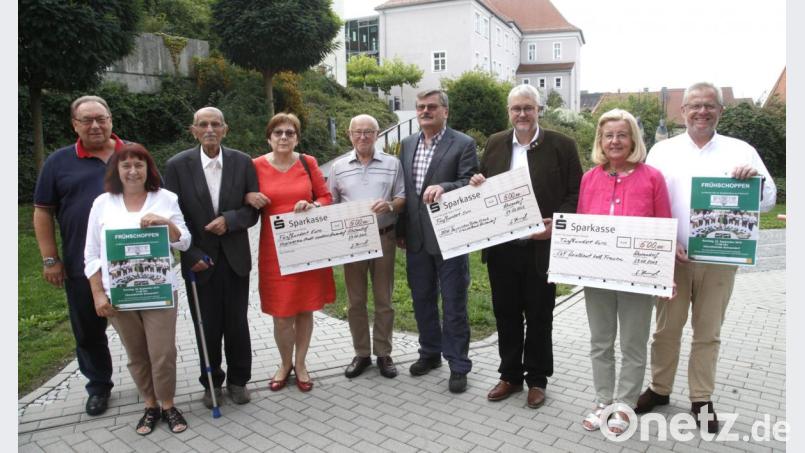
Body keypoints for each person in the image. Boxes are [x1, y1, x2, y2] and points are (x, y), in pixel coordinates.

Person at [638, 82, 777, 433]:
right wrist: (662, 243)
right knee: (666, 329)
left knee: (708, 331)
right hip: (672, 256)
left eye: (709, 106)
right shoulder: (661, 151)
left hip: (719, 258)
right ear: (682, 111)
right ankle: (659, 388)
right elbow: (647, 200)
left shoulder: (741, 150)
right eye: (694, 106)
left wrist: (754, 183)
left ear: (720, 110)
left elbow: (770, 198)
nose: (702, 111)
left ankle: (701, 398)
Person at [469, 84, 582, 408]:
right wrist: (477, 182)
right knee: (505, 313)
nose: (522, 114)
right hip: (503, 248)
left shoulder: (562, 145)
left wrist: (555, 225)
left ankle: (536, 380)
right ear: (509, 112)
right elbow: (483, 182)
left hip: (541, 248)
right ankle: (509, 376)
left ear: (538, 111)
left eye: (528, 108)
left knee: (539, 314)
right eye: (516, 108)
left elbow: (576, 192)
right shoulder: (494, 143)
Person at [575, 109, 672, 434]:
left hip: (638, 276)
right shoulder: (590, 178)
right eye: (608, 135)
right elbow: (581, 228)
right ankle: (603, 400)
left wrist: (664, 273)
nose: (615, 141)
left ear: (633, 139)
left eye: (622, 134)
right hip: (597, 275)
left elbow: (663, 227)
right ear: (600, 141)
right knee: (600, 341)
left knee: (633, 342)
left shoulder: (652, 177)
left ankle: (625, 405)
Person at [84, 143, 191, 435]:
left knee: (163, 352)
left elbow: (184, 242)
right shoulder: (102, 203)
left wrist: (165, 222)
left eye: (139, 165)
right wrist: (97, 293)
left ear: (148, 169)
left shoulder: (165, 199)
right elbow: (91, 255)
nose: (133, 171)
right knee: (136, 353)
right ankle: (150, 405)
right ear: (116, 171)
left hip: (159, 290)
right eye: (126, 165)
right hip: (119, 294)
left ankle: (168, 404)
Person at [33, 95, 126, 416]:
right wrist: (50, 258)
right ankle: (99, 385)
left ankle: (153, 382)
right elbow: (43, 212)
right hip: (81, 265)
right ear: (75, 125)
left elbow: (158, 198)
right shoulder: (58, 162)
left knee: (141, 327)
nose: (96, 125)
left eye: (101, 118)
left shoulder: (132, 154)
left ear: (111, 119)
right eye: (87, 120)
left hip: (132, 265)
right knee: (88, 329)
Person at [163, 107, 260, 408]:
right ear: (193, 130)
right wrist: (189, 254)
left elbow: (253, 209)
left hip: (235, 259)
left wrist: (229, 220)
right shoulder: (178, 166)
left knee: (237, 323)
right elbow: (172, 217)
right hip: (198, 260)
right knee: (206, 324)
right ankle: (212, 383)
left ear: (225, 129)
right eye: (203, 124)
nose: (209, 129)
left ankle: (239, 380)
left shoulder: (243, 162)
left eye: (215, 124)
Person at [244, 113, 335, 392]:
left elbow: (325, 197)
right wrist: (248, 197)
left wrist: (313, 206)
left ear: (297, 137)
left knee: (305, 308)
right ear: (269, 137)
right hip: (274, 251)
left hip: (307, 246)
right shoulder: (254, 166)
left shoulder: (308, 163)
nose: (284, 137)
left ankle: (302, 362)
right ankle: (285, 363)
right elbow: (241, 196)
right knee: (282, 313)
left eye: (290, 133)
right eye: (278, 133)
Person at [396, 89, 478, 393]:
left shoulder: (463, 143)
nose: (425, 111)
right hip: (417, 238)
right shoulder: (406, 144)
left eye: (432, 107)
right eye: (420, 107)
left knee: (455, 302)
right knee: (422, 299)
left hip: (450, 237)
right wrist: (403, 230)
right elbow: (406, 189)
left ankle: (458, 365)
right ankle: (429, 353)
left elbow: (470, 183)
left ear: (445, 111)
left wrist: (444, 186)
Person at [327, 114, 406, 379]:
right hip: (352, 241)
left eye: (368, 132)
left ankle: (383, 352)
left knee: (384, 299)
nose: (363, 137)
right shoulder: (338, 167)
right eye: (357, 132)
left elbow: (402, 196)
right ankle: (361, 353)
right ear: (349, 135)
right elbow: (330, 201)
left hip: (384, 236)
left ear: (377, 134)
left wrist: (391, 205)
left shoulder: (392, 164)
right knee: (355, 301)